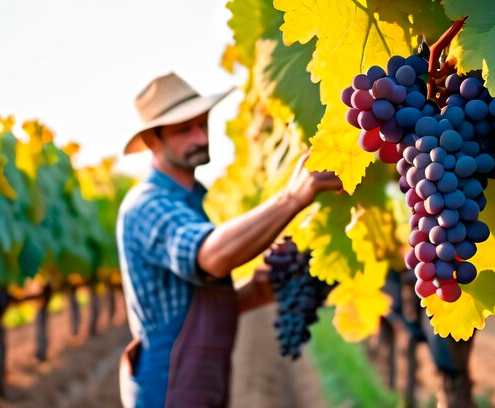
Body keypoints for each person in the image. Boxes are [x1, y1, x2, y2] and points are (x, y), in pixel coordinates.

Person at [116, 72, 342, 408]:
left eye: (201, 124)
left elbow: (188, 304)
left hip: (195, 384)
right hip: (168, 388)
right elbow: (209, 257)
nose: (200, 136)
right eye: (183, 130)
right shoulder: (148, 205)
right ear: (152, 141)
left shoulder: (187, 204)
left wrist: (253, 292)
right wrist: (292, 198)